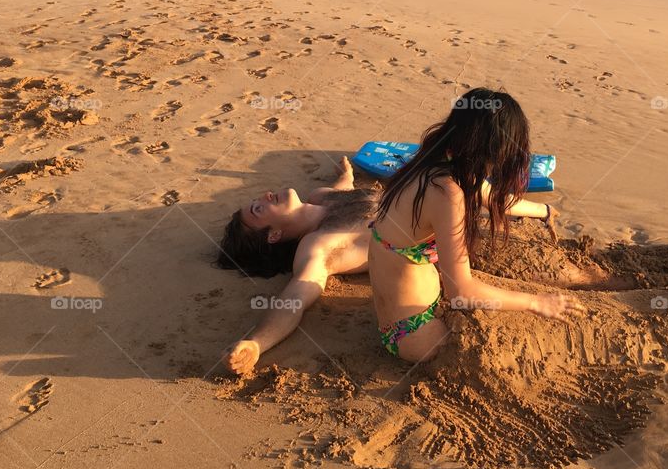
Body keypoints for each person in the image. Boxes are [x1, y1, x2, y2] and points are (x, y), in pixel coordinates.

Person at [217, 154, 559, 374]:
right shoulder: (316, 246)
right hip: (449, 261)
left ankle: (542, 211)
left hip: (455, 228)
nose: (265, 197)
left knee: (456, 185)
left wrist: (346, 173)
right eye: (258, 210)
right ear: (274, 236)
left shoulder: (322, 196)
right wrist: (257, 344)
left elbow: (345, 189)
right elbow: (294, 298)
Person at [368, 88, 584, 363]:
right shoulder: (447, 193)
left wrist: (544, 211)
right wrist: (537, 303)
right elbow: (461, 293)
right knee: (536, 334)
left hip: (404, 316)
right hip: (416, 333)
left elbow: (492, 198)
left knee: (511, 295)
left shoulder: (435, 160)